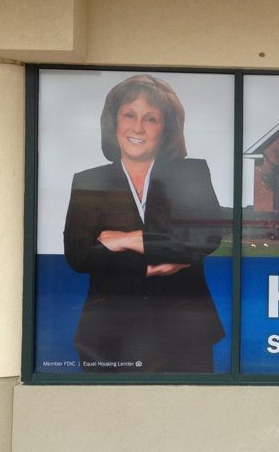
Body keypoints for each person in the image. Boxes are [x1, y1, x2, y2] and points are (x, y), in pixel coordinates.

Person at [63, 74, 225, 372]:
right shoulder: (89, 181)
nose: (137, 127)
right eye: (129, 115)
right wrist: (152, 263)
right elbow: (78, 256)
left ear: (166, 129)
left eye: (151, 118)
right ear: (114, 121)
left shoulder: (191, 174)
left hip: (184, 335)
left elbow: (204, 239)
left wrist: (125, 240)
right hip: (108, 336)